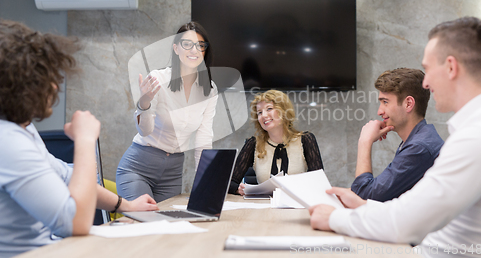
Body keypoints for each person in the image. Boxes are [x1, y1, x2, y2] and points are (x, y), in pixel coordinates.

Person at [309, 17, 481, 257]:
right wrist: (365, 206)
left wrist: (335, 218)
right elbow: (414, 211)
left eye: (428, 69)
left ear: (451, 67)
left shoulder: (478, 137)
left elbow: (404, 223)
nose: (426, 83)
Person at [0, 20, 158, 258]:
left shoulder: (22, 129)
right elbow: (75, 222)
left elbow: (68, 177)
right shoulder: (8, 141)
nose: (54, 86)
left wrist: (127, 206)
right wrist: (85, 141)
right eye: (44, 77)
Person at [117, 22, 218, 202]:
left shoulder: (209, 90)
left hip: (172, 171)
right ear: (176, 48)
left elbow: (203, 139)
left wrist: (206, 182)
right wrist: (144, 101)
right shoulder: (158, 79)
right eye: (187, 44)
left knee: (168, 226)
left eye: (200, 45)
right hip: (139, 166)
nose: (194, 50)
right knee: (145, 220)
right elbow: (145, 131)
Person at [351, 68, 444, 201]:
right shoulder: (420, 138)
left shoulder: (419, 148)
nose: (379, 111)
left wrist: (364, 142)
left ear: (408, 104)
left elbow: (365, 196)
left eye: (385, 102)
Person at [229, 90, 323, 195]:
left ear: (284, 111)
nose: (263, 115)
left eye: (269, 109)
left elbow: (319, 183)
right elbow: (229, 183)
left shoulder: (305, 140)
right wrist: (238, 189)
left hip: (297, 208)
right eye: (259, 112)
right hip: (263, 208)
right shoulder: (253, 144)